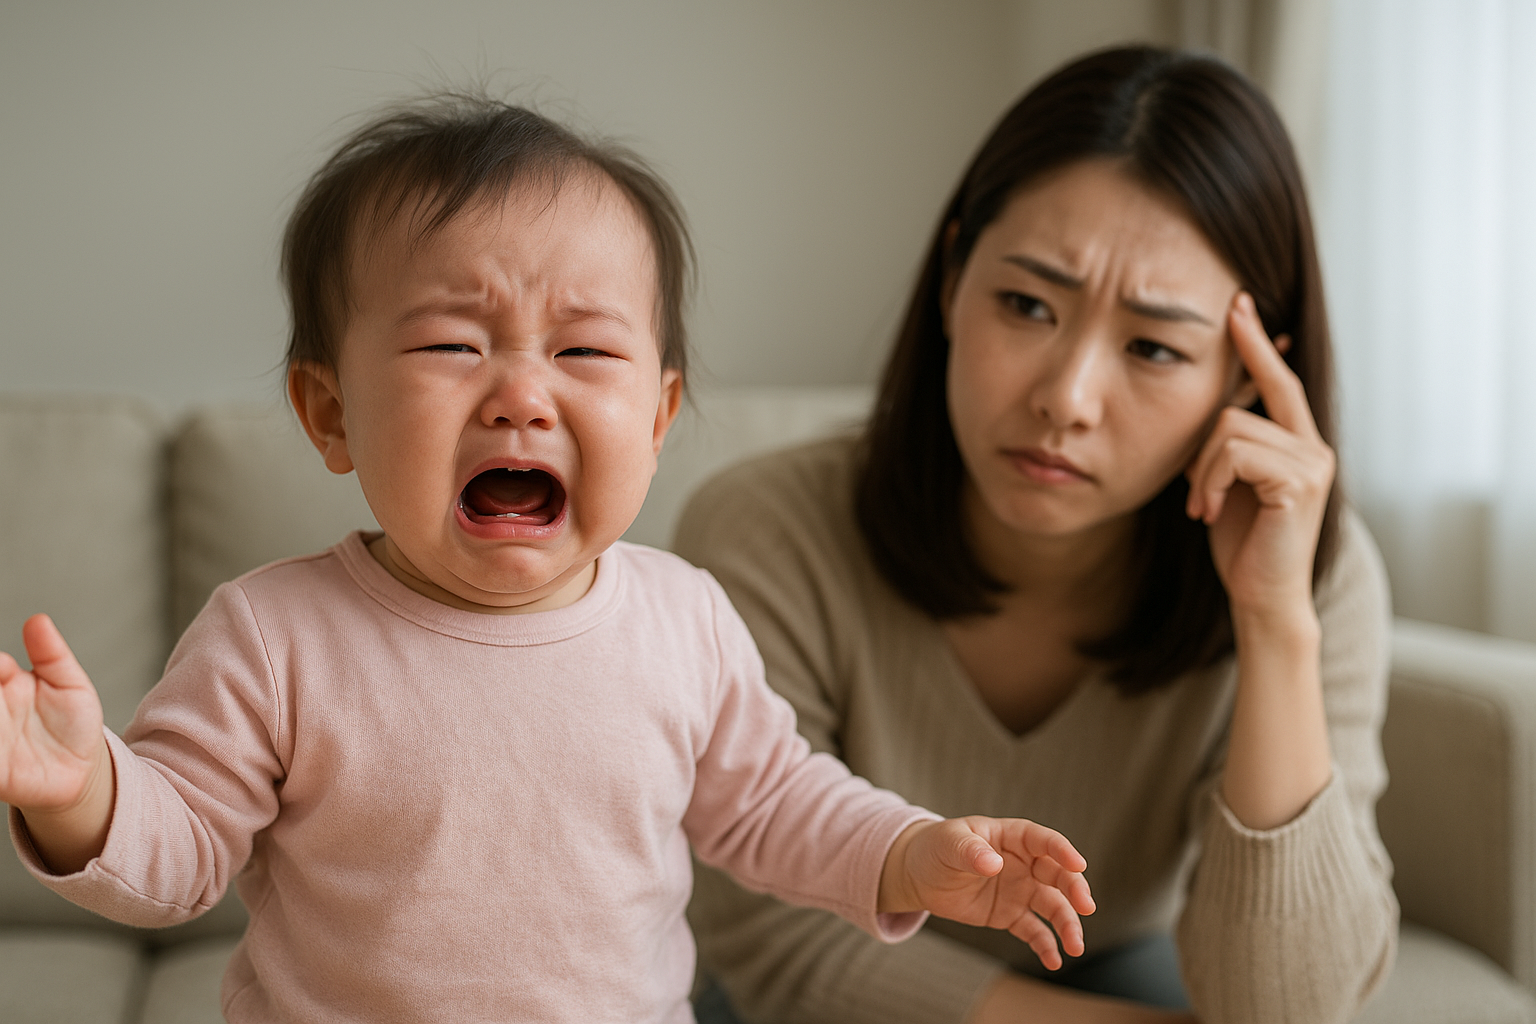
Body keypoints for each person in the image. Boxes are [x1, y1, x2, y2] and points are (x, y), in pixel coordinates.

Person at [0, 96, 1099, 1024]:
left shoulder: (684, 620)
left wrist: (911, 851)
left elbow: (773, 803)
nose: (523, 394)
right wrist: (85, 792)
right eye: (452, 345)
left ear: (659, 414)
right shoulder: (274, 637)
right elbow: (179, 850)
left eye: (583, 349)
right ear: (329, 411)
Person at [682, 47, 1398, 1024]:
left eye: (1153, 346)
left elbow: (1293, 1005)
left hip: (1111, 966)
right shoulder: (768, 528)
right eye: (1026, 304)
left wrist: (1274, 620)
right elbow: (774, 942)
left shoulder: (1307, 566)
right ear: (951, 279)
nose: (1065, 398)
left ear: (1243, 378)